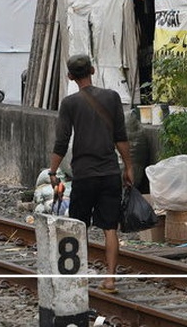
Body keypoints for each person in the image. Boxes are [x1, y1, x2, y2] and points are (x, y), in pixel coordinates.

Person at [48, 54, 133, 294]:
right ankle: (110, 280)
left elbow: (62, 141)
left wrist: (52, 171)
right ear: (93, 70)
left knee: (78, 227)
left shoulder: (69, 103)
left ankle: (77, 276)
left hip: (84, 175)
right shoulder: (113, 97)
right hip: (109, 173)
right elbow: (121, 137)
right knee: (110, 228)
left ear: (70, 76)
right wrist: (129, 167)